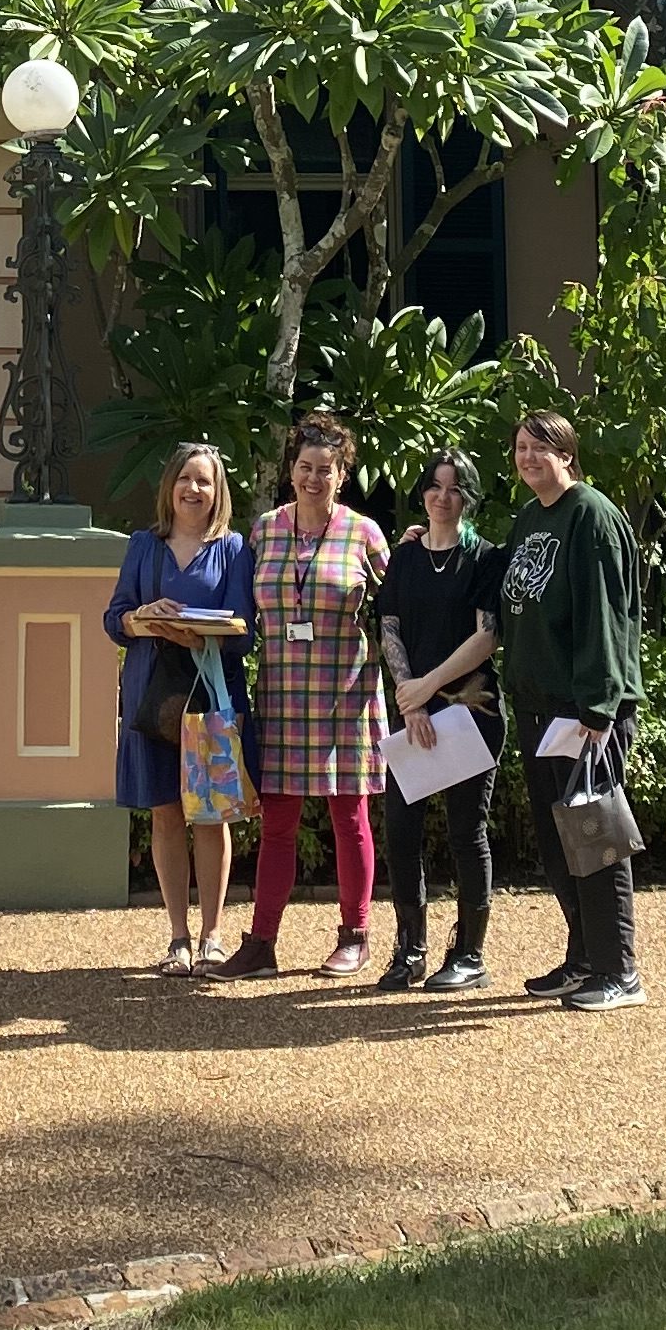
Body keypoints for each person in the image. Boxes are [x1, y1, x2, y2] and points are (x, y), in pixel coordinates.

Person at [222, 412, 388, 981]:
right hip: (283, 694)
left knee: (350, 819)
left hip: (346, 697)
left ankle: (355, 936)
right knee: (277, 825)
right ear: (291, 470)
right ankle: (261, 943)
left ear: (342, 475)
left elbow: (397, 610)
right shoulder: (265, 530)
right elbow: (239, 611)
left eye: (326, 470)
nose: (314, 478)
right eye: (305, 467)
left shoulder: (364, 533)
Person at [498, 410, 643, 1012]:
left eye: (542, 447)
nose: (529, 457)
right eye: (521, 447)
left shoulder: (591, 515)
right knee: (559, 846)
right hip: (538, 709)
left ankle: (619, 971)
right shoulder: (530, 517)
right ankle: (584, 959)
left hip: (584, 710)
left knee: (595, 838)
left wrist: (598, 707)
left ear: (567, 454)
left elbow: (605, 616)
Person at [102, 442, 257, 971]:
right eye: (185, 479)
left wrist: (199, 634)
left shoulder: (233, 549)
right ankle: (178, 938)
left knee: (211, 815)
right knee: (166, 813)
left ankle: (213, 936)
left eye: (204, 481)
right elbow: (115, 618)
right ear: (169, 486)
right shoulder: (143, 546)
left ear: (218, 492)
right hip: (151, 697)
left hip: (209, 696)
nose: (194, 489)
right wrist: (142, 617)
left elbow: (244, 632)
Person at [373, 444, 505, 994]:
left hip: (471, 712)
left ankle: (470, 953)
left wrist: (426, 689)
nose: (443, 497)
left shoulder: (486, 558)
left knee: (465, 832)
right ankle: (410, 948)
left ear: (469, 497)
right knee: (401, 831)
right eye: (434, 486)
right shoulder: (405, 557)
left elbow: (487, 635)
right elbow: (389, 626)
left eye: (455, 488)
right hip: (414, 714)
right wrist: (412, 701)